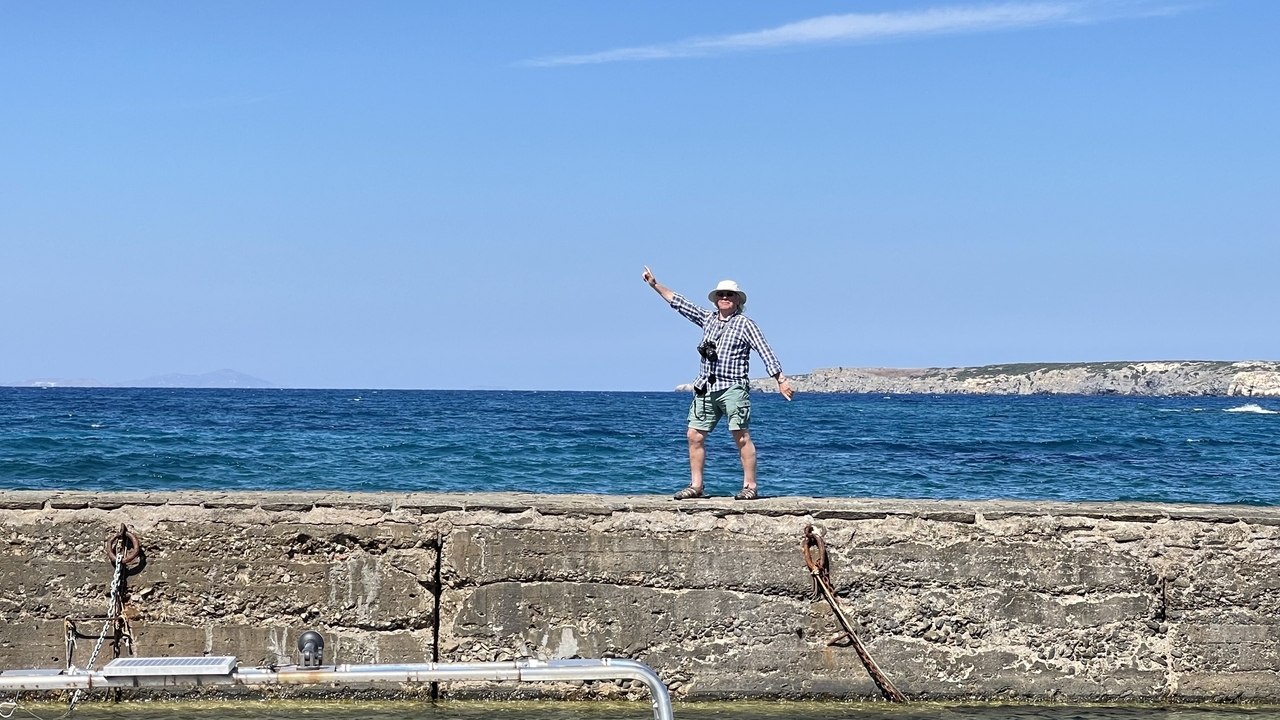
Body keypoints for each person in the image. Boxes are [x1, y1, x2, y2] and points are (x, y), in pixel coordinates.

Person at [642, 266, 793, 500]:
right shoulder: (708, 319)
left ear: (737, 300)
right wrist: (655, 285)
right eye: (721, 294)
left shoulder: (746, 324)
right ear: (715, 299)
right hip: (706, 387)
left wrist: (780, 379)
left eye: (729, 294)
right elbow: (680, 303)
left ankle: (750, 486)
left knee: (740, 436)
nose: (724, 297)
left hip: (733, 387)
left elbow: (765, 351)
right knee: (694, 435)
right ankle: (696, 486)